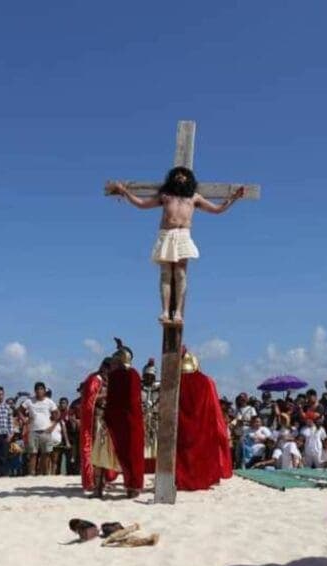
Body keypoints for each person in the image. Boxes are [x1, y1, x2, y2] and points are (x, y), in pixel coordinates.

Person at [106, 169, 245, 324]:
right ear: (172, 178)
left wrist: (234, 198)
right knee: (166, 274)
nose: (181, 178)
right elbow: (142, 204)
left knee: (180, 274)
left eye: (183, 176)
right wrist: (124, 191)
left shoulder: (194, 197)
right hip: (166, 234)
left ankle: (178, 312)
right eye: (177, 175)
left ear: (189, 179)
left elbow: (217, 210)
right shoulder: (165, 196)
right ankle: (165, 311)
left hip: (183, 235)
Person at [175, 350, 232, 491]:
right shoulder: (205, 381)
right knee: (202, 452)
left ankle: (184, 479)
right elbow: (212, 406)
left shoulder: (176, 380)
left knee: (184, 452)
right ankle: (203, 479)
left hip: (182, 425)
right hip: (203, 425)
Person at [102, 339, 146, 497]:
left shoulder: (130, 374)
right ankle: (130, 484)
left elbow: (128, 400)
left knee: (132, 454)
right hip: (121, 419)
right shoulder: (118, 375)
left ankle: (134, 486)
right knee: (125, 454)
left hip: (129, 420)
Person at [79, 359, 112, 494]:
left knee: (104, 449)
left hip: (105, 417)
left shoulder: (106, 380)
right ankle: (93, 481)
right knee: (94, 449)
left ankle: (103, 480)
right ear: (105, 368)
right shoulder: (95, 379)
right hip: (96, 418)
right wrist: (108, 394)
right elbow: (91, 400)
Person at [22, 382, 59, 476]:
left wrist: (52, 426)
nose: (39, 391)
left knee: (46, 454)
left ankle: (45, 473)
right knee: (32, 454)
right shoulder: (29, 401)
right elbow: (19, 410)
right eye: (37, 389)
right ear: (35, 391)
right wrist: (24, 420)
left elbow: (57, 415)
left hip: (46, 431)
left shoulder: (49, 402)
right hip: (33, 430)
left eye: (41, 389)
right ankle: (31, 473)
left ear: (44, 390)